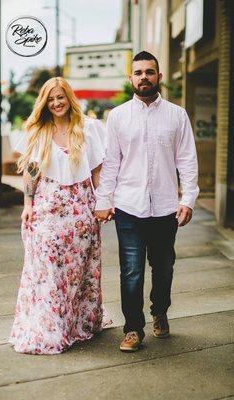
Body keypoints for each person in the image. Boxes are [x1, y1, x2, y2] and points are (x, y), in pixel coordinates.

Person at [95, 51, 199, 352]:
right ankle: (133, 329)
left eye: (149, 72)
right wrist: (105, 200)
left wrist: (188, 198)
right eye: (138, 72)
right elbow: (111, 164)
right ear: (131, 78)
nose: (144, 77)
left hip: (166, 207)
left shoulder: (177, 116)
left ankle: (160, 310)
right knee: (131, 270)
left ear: (159, 77)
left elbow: (187, 161)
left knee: (164, 267)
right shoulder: (117, 117)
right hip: (129, 206)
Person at [9, 77, 109, 355]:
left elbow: (98, 171)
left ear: (69, 98)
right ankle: (50, 327)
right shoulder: (39, 131)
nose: (56, 103)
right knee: (47, 270)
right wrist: (27, 203)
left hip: (81, 211)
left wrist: (106, 202)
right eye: (50, 99)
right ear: (44, 102)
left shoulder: (88, 128)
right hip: (46, 209)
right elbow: (30, 172)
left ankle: (77, 323)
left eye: (60, 97)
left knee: (78, 271)